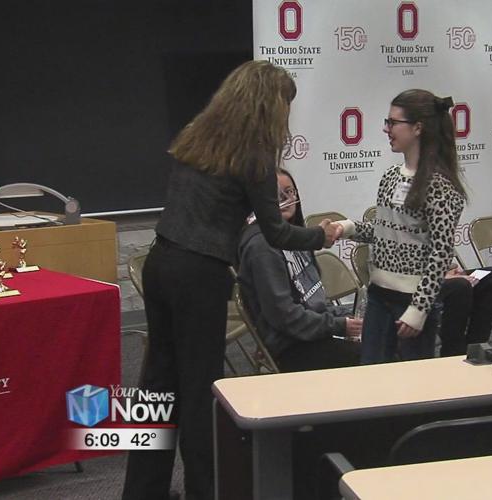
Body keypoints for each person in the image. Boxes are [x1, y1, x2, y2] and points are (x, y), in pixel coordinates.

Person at [121, 61, 341, 500]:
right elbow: (276, 232)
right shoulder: (254, 157)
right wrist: (322, 236)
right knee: (201, 390)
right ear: (269, 106)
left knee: (157, 386)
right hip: (199, 276)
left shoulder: (197, 135)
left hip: (160, 264)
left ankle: (142, 492)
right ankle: (205, 492)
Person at [336, 89, 467, 364]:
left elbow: (441, 252)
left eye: (393, 122)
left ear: (418, 128)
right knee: (371, 372)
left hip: (411, 300)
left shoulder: (440, 185)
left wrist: (419, 308)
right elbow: (384, 231)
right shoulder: (390, 176)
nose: (387, 129)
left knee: (412, 380)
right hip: (378, 296)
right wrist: (346, 228)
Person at [238, 169, 362, 372]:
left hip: (316, 333)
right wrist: (340, 325)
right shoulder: (262, 247)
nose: (285, 200)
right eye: (275, 195)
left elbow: (316, 303)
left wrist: (347, 316)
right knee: (374, 354)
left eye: (289, 192)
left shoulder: (299, 237)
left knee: (381, 334)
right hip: (292, 347)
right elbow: (285, 317)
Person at [437, 264, 492, 356]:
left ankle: (475, 348)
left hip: (439, 273)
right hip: (424, 282)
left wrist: (453, 268)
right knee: (461, 285)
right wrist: (444, 276)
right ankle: (453, 352)